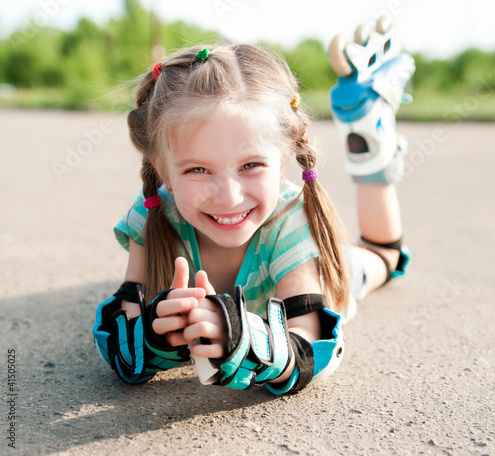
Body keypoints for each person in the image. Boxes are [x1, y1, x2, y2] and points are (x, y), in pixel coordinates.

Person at [93, 17, 414, 395]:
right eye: (198, 169)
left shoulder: (291, 221)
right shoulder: (152, 216)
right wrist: (157, 334)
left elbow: (311, 342)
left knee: (382, 256)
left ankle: (369, 135)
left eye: (251, 166)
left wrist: (242, 338)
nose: (229, 197)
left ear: (284, 159)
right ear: (162, 169)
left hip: (322, 263)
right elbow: (122, 334)